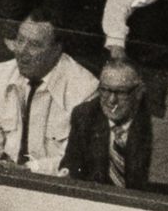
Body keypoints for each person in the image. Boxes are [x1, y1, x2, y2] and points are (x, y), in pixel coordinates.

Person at [0, 11, 97, 174]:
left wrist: (27, 170)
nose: (21, 51)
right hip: (1, 178)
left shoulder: (84, 88)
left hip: (51, 187)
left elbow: (73, 162)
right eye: (20, 40)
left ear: (57, 50)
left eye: (34, 45)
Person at [60, 60, 155, 188]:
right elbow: (72, 165)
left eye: (121, 92)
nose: (111, 100)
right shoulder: (85, 115)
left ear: (138, 92)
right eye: (105, 90)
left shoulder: (155, 124)